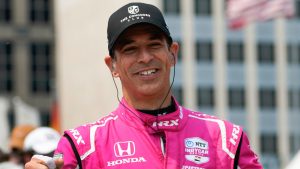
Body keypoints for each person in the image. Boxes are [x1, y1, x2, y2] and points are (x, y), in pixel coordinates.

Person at [25, 2, 263, 169]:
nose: (145, 57)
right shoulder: (82, 145)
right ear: (113, 66)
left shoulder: (226, 139)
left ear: (173, 54)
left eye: (154, 45)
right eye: (130, 49)